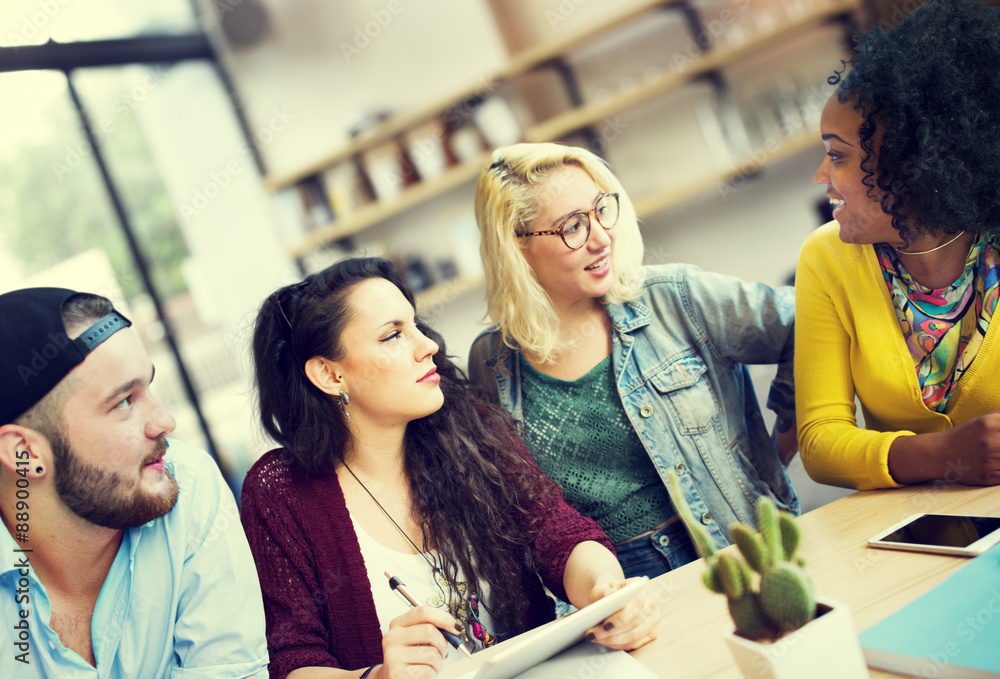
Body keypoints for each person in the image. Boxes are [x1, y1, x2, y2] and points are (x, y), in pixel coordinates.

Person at [242, 257, 658, 679]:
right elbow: (293, 660)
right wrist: (378, 677)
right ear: (330, 374)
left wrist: (605, 591)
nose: (428, 347)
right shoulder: (278, 491)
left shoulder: (467, 425)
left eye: (415, 325)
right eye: (393, 336)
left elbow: (560, 535)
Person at [468, 142, 799, 580]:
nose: (602, 237)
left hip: (740, 556)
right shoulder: (491, 362)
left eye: (602, 210)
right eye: (573, 227)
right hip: (619, 592)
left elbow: (807, 323)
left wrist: (782, 444)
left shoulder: (676, 297)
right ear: (518, 245)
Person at [0, 288, 268, 678]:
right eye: (123, 401)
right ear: (25, 452)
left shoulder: (186, 483)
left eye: (148, 388)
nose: (165, 422)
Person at [796, 0, 1000, 490]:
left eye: (837, 156)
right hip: (924, 547)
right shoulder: (826, 258)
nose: (821, 176)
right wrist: (940, 454)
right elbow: (821, 441)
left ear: (910, 164)